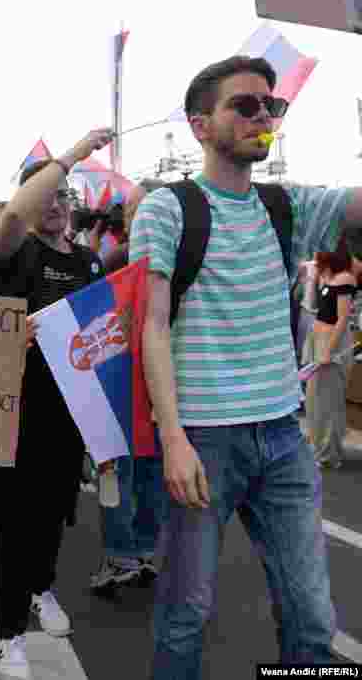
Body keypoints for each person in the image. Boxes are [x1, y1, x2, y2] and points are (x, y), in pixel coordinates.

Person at [130, 55, 362, 679]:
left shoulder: (286, 207)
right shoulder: (168, 209)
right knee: (186, 615)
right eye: (245, 105)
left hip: (284, 436)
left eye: (272, 106)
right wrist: (174, 440)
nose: (264, 116)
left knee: (312, 619)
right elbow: (151, 326)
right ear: (200, 125)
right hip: (204, 439)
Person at [0, 127, 113, 679]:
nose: (56, 204)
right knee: (15, 524)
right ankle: (8, 634)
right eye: (46, 194)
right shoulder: (16, 249)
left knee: (56, 515)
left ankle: (42, 587)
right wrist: (74, 154)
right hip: (15, 414)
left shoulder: (88, 262)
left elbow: (107, 334)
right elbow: (13, 219)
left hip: (72, 415)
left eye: (64, 195)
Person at [90, 182, 166, 597]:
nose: (132, 216)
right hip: (120, 382)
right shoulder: (118, 259)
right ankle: (128, 555)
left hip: (157, 387)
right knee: (122, 473)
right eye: (130, 209)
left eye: (140, 207)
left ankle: (134, 553)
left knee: (147, 474)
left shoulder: (124, 258)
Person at [305, 234, 360, 469]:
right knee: (314, 397)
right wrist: (313, 278)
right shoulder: (326, 276)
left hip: (332, 339)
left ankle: (328, 453)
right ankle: (318, 446)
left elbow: (342, 319)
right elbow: (310, 306)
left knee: (328, 399)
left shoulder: (345, 278)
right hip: (317, 334)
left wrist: (328, 350)